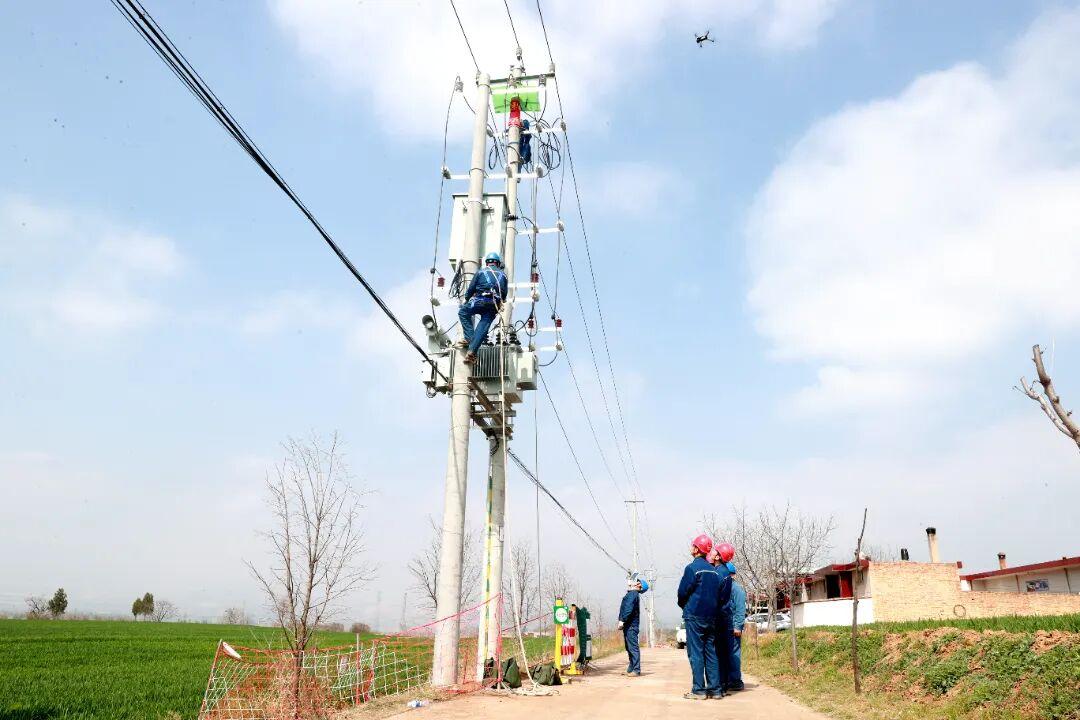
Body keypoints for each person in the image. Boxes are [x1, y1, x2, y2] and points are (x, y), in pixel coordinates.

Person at [677, 534, 731, 700]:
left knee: (696, 653)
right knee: (711, 652)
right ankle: (715, 690)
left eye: (693, 545)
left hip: (695, 616)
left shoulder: (692, 568)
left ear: (696, 549)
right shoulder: (714, 572)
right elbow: (720, 596)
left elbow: (682, 592)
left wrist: (685, 606)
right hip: (711, 617)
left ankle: (699, 690)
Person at [457, 252, 508, 363]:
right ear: (498, 263)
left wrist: (466, 298)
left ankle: (470, 340)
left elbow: (470, 290)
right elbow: (504, 295)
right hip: (493, 305)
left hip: (479, 301)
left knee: (463, 313)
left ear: (487, 263)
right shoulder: (503, 275)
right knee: (483, 326)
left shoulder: (480, 272)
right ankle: (471, 350)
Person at [618, 575, 648, 676]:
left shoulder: (633, 594)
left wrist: (622, 620)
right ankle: (631, 668)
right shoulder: (632, 594)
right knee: (629, 648)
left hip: (630, 626)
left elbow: (628, 608)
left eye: (637, 582)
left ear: (640, 587)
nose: (635, 583)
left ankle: (636, 669)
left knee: (633, 648)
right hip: (629, 625)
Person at [726, 562, 747, 692]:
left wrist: (738, 626)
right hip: (726, 626)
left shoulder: (736, 589)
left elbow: (740, 609)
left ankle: (735, 680)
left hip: (734, 627)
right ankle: (728, 679)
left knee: (734, 654)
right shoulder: (726, 588)